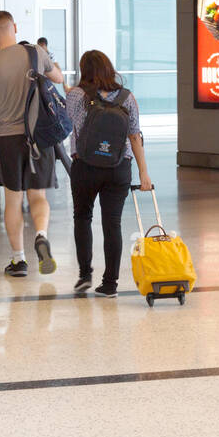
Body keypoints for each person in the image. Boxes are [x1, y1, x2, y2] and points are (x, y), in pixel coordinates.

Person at [0, 11, 64, 276]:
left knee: (13, 201)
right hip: (38, 136)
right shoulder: (35, 52)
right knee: (38, 196)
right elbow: (58, 78)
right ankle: (40, 235)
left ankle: (18, 260)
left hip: (7, 140)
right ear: (15, 27)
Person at [66, 50, 152, 298]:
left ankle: (84, 274)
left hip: (85, 166)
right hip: (118, 167)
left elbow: (67, 123)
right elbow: (135, 136)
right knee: (112, 223)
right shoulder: (127, 98)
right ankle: (110, 283)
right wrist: (143, 173)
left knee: (82, 217)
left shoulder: (76, 96)